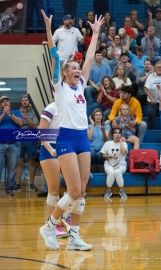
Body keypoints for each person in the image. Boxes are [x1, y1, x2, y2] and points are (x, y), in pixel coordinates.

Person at [40, 10, 104, 250]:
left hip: (82, 139)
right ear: (66, 72)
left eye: (79, 68)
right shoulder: (60, 88)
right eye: (74, 68)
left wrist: (96, 33)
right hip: (65, 137)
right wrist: (49, 28)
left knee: (82, 190)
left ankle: (74, 235)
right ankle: (49, 226)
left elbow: (89, 57)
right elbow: (53, 53)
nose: (79, 70)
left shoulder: (81, 86)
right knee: (73, 190)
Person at [39, 101, 68, 238]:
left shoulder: (68, 108)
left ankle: (64, 218)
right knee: (54, 189)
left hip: (65, 147)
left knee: (74, 187)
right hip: (49, 149)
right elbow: (41, 134)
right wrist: (51, 150)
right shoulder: (51, 108)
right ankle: (52, 225)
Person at [15, 94, 39, 192]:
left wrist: (25, 117)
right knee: (19, 162)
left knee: (31, 162)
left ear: (29, 102)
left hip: (31, 138)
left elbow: (34, 126)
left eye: (26, 100)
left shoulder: (34, 112)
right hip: (19, 138)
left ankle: (32, 184)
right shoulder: (17, 112)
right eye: (23, 100)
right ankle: (17, 184)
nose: (24, 101)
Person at [0, 96, 23, 196]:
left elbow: (21, 123)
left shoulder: (16, 112)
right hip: (1, 144)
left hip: (14, 145)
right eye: (3, 102)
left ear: (10, 104)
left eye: (7, 101)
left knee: (12, 167)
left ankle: (9, 188)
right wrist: (3, 115)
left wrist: (9, 114)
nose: (5, 103)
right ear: (0, 105)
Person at [101, 127, 128, 199]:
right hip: (109, 164)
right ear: (112, 135)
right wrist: (110, 156)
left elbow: (123, 152)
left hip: (121, 164)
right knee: (111, 172)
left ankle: (122, 190)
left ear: (121, 135)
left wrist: (121, 142)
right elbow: (103, 155)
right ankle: (108, 190)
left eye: (119, 133)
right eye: (115, 133)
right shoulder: (108, 143)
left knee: (117, 172)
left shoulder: (124, 144)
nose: (117, 135)